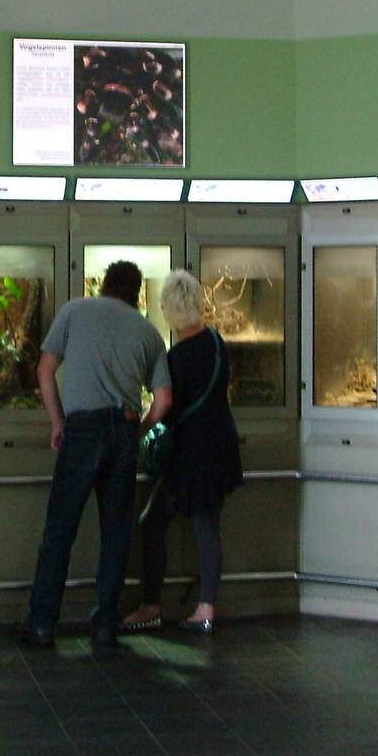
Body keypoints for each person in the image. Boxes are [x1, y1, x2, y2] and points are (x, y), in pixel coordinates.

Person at [18, 260, 172, 649]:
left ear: (103, 285)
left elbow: (44, 370)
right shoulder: (149, 332)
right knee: (116, 532)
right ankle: (104, 624)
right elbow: (164, 400)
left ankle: (42, 624)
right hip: (123, 428)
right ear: (137, 292)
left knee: (59, 530)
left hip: (82, 428)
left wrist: (58, 422)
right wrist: (136, 431)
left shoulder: (74, 311)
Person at [120, 270, 244, 636]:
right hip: (221, 445)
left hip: (190, 454)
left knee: (152, 522)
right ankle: (205, 606)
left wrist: (139, 432)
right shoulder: (217, 342)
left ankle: (152, 604)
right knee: (207, 527)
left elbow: (164, 406)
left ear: (168, 311)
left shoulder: (176, 357)